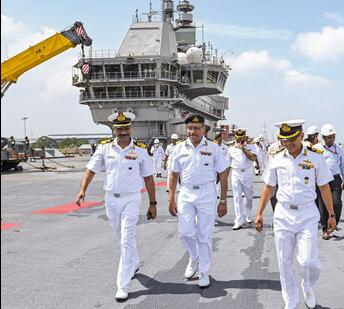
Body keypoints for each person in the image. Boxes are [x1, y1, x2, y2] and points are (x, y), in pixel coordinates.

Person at [74, 111, 157, 301]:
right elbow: (91, 170)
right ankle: (133, 261)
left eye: (126, 128)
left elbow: (149, 178)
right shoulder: (104, 149)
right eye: (119, 129)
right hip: (111, 199)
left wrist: (153, 203)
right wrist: (82, 190)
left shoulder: (141, 150)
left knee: (127, 238)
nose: (123, 132)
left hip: (132, 199)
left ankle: (123, 285)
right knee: (121, 237)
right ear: (114, 129)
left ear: (131, 128)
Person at [255, 119, 336, 309]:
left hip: (307, 213)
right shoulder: (276, 158)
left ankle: (307, 286)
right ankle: (290, 300)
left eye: (292, 139)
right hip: (283, 214)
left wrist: (331, 215)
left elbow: (324, 187)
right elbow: (268, 187)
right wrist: (259, 213)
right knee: (285, 261)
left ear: (301, 136)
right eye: (284, 140)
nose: (288, 144)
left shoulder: (316, 157)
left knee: (308, 261)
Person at [167, 114, 229, 288]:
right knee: (185, 232)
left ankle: (204, 270)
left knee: (204, 234)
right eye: (189, 128)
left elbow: (223, 175)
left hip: (207, 194)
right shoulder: (179, 148)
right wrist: (171, 197)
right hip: (185, 193)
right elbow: (173, 175)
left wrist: (223, 200)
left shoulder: (213, 148)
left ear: (203, 129)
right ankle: (194, 257)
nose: (192, 131)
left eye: (196, 128)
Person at [316, 123, 344, 240]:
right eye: (329, 137)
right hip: (321, 180)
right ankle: (325, 229)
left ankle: (334, 223)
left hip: (335, 179)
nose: (332, 139)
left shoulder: (338, 149)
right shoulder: (317, 149)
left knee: (336, 203)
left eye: (333, 136)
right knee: (323, 205)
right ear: (323, 137)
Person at [227, 128, 258, 230]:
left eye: (242, 137)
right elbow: (228, 164)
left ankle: (248, 215)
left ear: (245, 136)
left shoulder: (251, 146)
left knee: (249, 196)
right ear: (235, 137)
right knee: (237, 197)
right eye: (238, 137)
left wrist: (243, 148)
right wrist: (224, 178)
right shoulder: (230, 149)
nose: (240, 139)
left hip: (247, 173)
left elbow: (253, 158)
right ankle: (239, 220)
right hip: (236, 173)